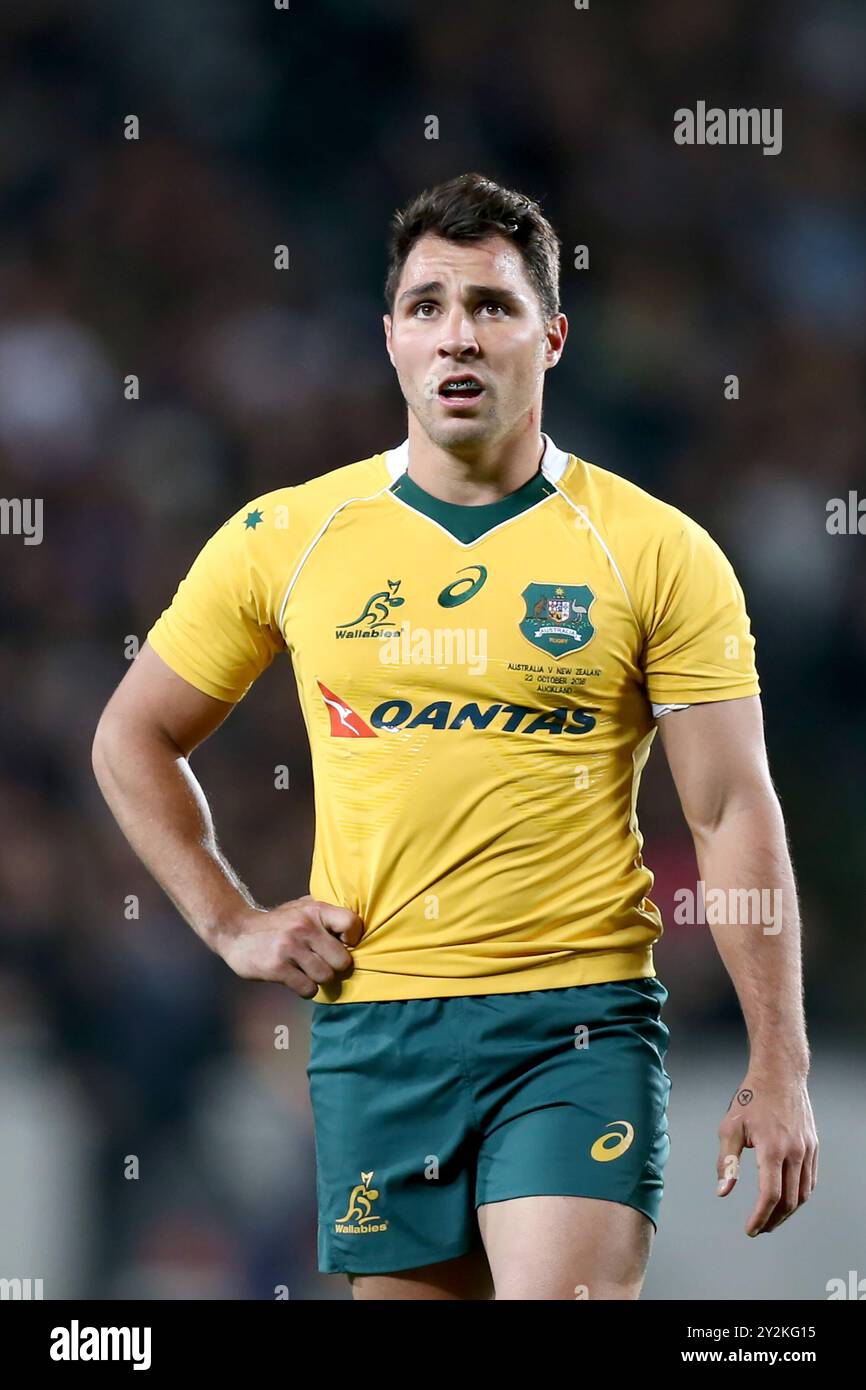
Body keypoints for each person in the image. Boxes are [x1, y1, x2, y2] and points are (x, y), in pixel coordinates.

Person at [92, 172, 817, 1301]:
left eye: (491, 305)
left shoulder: (654, 551)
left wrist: (779, 1058)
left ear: (552, 337)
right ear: (388, 339)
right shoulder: (287, 535)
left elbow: (726, 811)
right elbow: (133, 737)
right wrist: (231, 920)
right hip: (378, 1027)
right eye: (426, 307)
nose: (457, 337)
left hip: (574, 1023)